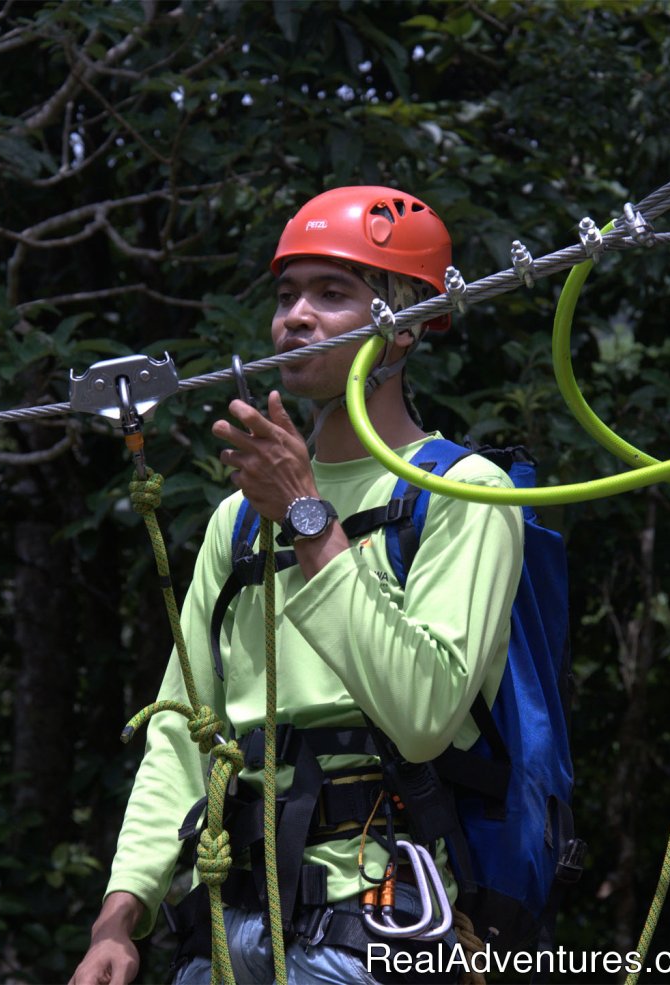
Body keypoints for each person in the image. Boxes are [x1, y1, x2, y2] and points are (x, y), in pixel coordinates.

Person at [69, 186, 524, 985]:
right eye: (287, 295)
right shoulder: (238, 519)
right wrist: (120, 914)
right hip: (221, 927)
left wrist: (310, 518)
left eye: (334, 292)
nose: (296, 317)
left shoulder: (462, 494)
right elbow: (182, 731)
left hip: (374, 923)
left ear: (408, 322)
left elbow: (421, 717)